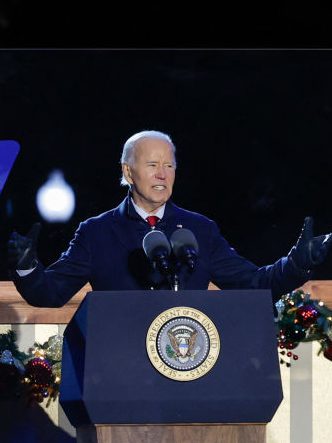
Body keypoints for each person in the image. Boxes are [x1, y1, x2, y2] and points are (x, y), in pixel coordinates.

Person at [7, 130, 332, 307]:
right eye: (151, 165)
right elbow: (50, 294)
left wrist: (298, 264)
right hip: (121, 372)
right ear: (128, 171)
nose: (162, 174)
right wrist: (26, 265)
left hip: (190, 366)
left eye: (169, 165)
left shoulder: (200, 230)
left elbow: (257, 284)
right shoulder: (96, 233)